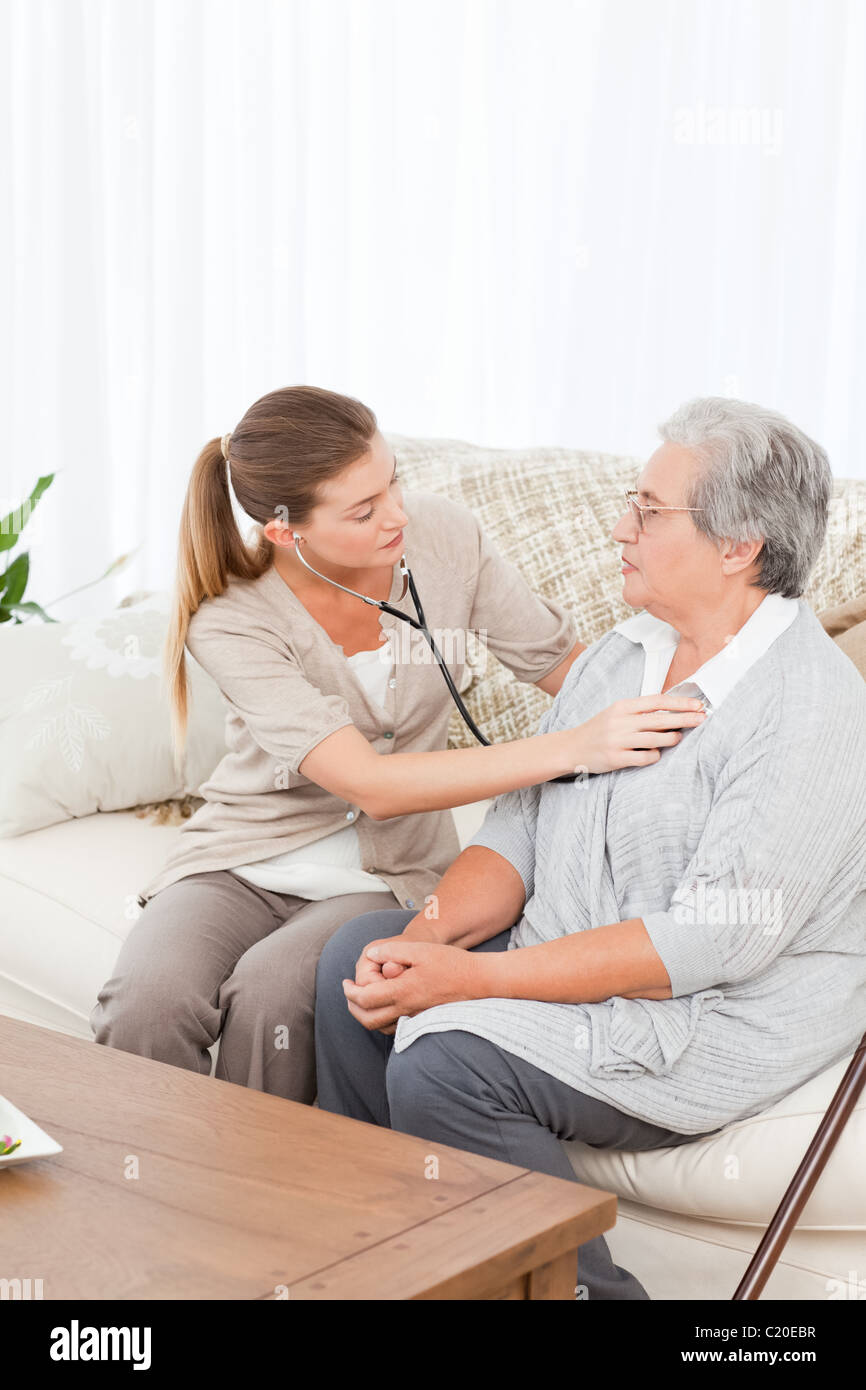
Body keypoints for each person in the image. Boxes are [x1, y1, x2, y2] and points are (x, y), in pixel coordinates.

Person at [314, 395, 866, 1300]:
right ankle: (398, 1267)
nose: (620, 529)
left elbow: (707, 944)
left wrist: (473, 980)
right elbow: (520, 830)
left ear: (740, 546)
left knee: (446, 1067)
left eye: (648, 511)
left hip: (709, 1017)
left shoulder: (808, 712)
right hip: (581, 950)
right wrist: (427, 940)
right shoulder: (626, 652)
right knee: (358, 967)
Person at [90, 384, 705, 1103]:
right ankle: (149, 1168)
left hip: (389, 871)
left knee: (271, 996)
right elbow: (370, 784)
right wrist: (576, 747)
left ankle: (254, 1175)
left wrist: (690, 719)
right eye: (364, 510)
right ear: (286, 532)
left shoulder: (446, 539)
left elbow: (559, 664)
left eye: (394, 482)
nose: (398, 515)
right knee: (145, 1003)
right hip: (242, 858)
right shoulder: (232, 618)